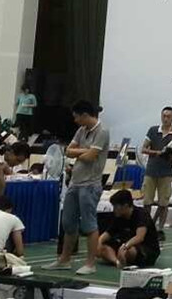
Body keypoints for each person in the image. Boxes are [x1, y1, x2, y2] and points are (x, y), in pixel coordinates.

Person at [44, 100, 110, 275]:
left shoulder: (102, 131)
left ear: (85, 115)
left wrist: (81, 152)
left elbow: (90, 157)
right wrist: (85, 150)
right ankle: (64, 260)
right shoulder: (81, 130)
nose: (75, 121)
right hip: (75, 182)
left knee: (89, 225)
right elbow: (68, 150)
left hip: (90, 184)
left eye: (76, 117)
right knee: (68, 222)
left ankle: (90, 263)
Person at [142, 106, 172, 240]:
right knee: (147, 202)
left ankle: (160, 229)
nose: (165, 119)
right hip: (151, 170)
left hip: (166, 172)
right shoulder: (153, 130)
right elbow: (143, 148)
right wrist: (157, 152)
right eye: (164, 116)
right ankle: (145, 228)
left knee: (164, 203)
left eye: (168, 116)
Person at [98, 189, 160, 269]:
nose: (114, 209)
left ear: (125, 206)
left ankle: (123, 258)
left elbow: (139, 237)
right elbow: (109, 232)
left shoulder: (141, 214)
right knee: (102, 248)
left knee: (130, 251)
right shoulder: (119, 216)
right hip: (125, 244)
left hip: (145, 249)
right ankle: (117, 262)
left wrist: (124, 247)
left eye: (116, 207)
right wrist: (99, 241)